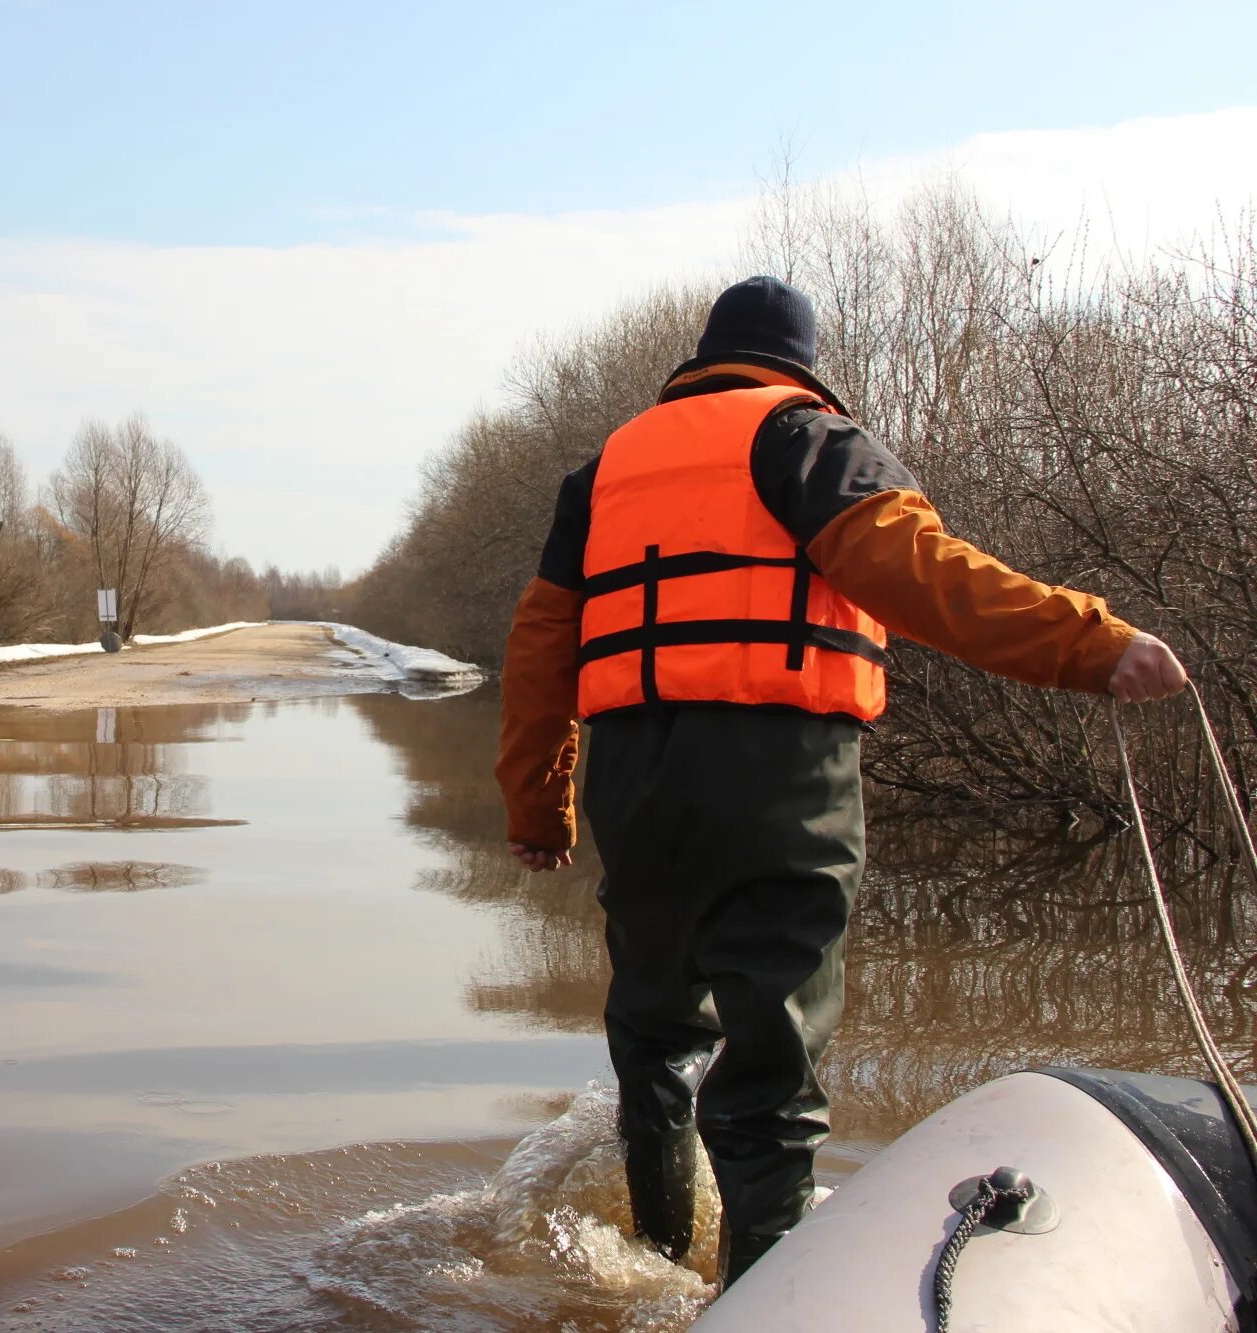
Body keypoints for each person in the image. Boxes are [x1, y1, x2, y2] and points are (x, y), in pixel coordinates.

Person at [492, 275, 1189, 1287]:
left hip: (633, 781)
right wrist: (1088, 644)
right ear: (798, 363)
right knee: (770, 1069)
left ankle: (649, 1258)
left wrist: (534, 803)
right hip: (777, 779)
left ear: (701, 355)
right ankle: (755, 1301)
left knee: (653, 1035)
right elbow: (918, 571)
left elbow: (538, 647)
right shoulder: (803, 436)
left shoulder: (601, 472)